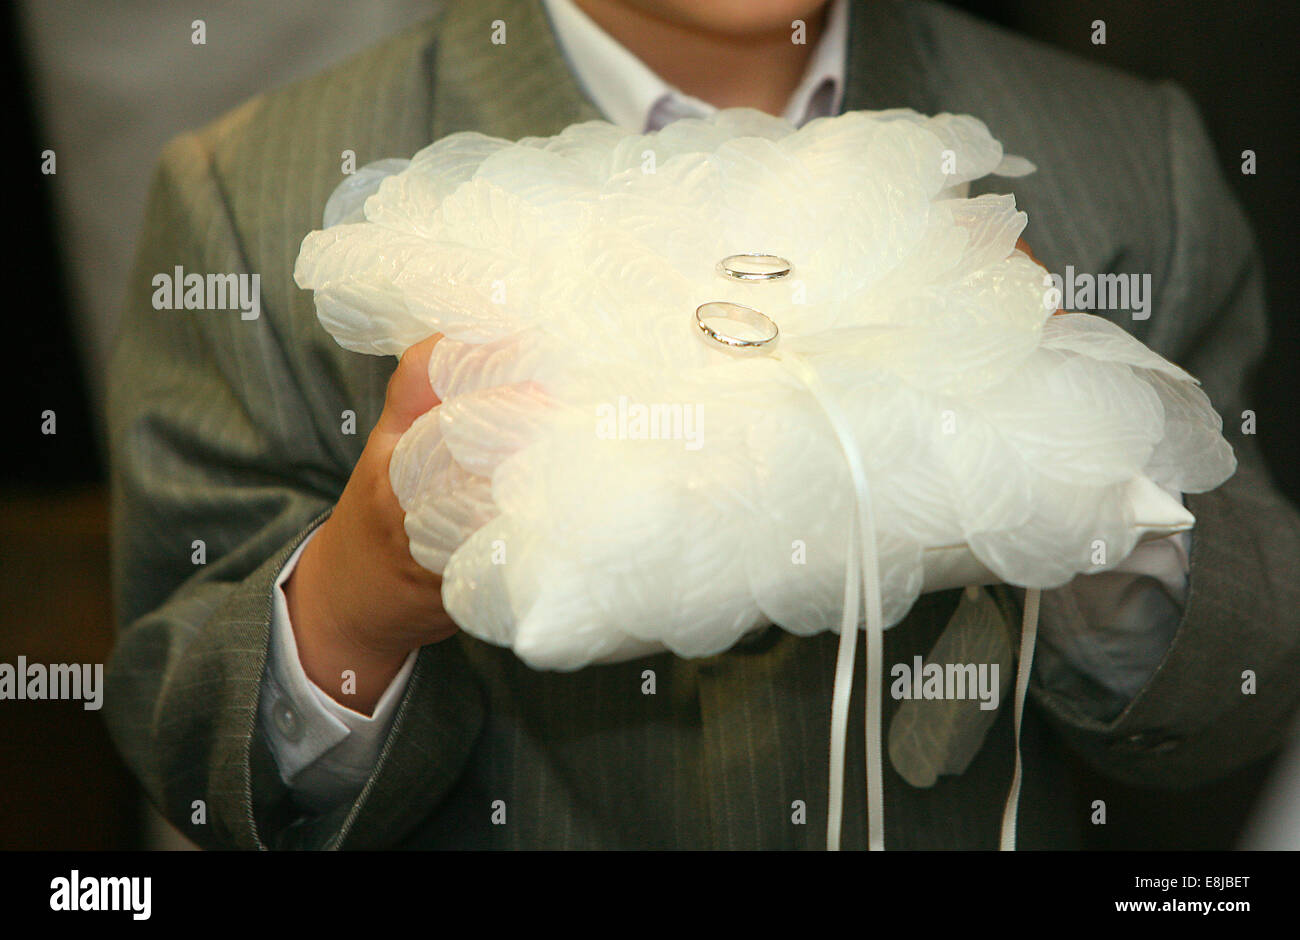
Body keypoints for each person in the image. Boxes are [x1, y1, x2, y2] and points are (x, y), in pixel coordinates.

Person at [104, 0, 1300, 849]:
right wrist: (360, 590)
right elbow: (188, 736)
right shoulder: (252, 194)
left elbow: (1243, 679)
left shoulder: (1134, 159)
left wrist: (1080, 483)